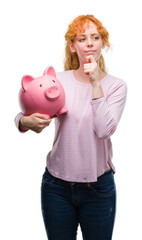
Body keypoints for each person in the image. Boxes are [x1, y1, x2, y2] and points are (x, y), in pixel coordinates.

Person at [15, 15, 127, 240]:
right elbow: (27, 108)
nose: (89, 43)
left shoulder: (116, 86)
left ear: (102, 43)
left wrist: (96, 82)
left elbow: (104, 130)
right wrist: (23, 122)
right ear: (72, 46)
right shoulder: (59, 81)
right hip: (56, 187)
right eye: (82, 38)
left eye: (95, 37)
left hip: (98, 189)